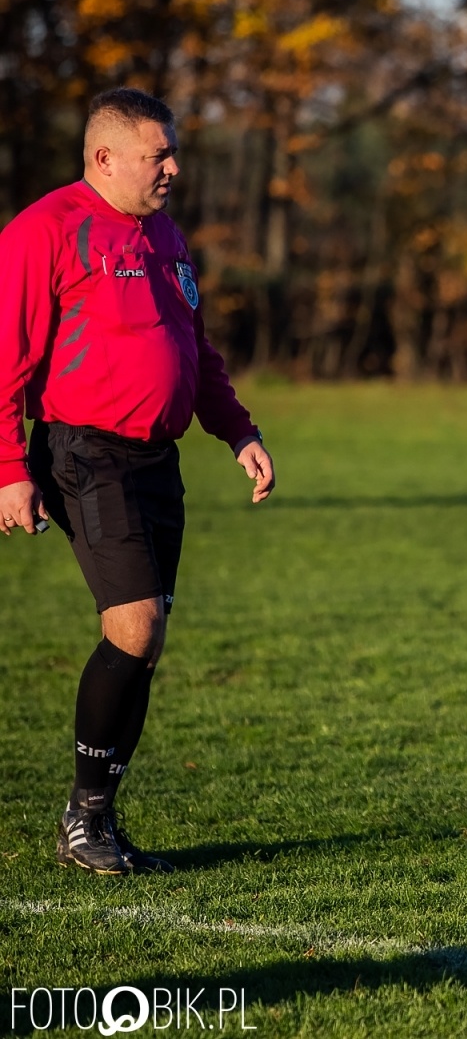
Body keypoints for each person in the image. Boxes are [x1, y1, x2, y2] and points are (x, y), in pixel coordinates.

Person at [0, 87, 275, 876]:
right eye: (160, 154)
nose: (174, 168)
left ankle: (96, 818)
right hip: (84, 453)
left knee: (145, 644)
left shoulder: (164, 235)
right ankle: (85, 817)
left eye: (173, 151)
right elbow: (4, 364)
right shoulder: (43, 232)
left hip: (160, 460)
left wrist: (238, 430)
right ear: (104, 158)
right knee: (136, 626)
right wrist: (8, 471)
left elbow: (196, 346)